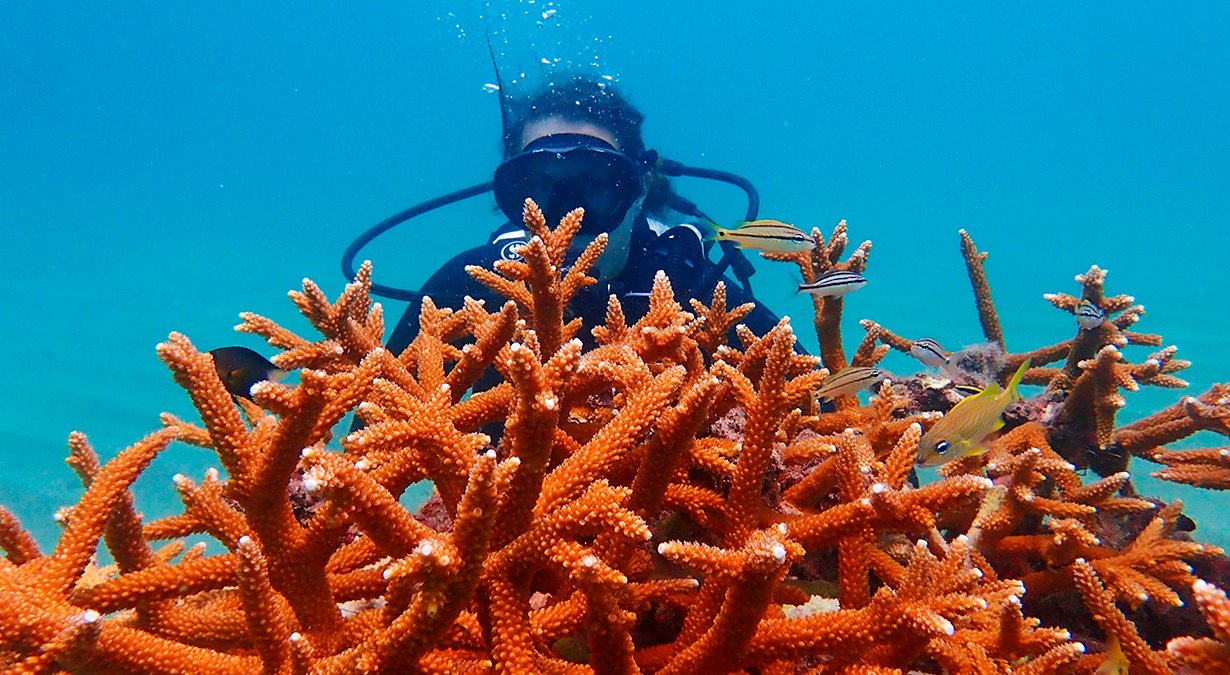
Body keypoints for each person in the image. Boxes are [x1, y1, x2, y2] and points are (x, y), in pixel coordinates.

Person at [383, 76, 783, 356]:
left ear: (640, 190)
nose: (567, 218)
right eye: (539, 189)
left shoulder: (696, 292)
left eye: (597, 186)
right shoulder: (471, 287)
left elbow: (813, 406)